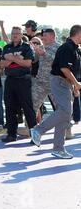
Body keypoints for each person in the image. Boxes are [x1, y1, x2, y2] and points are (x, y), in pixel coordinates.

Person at [29, 25, 81, 159]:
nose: (43, 37)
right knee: (64, 111)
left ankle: (58, 148)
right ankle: (38, 130)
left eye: (46, 35)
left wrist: (74, 86)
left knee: (65, 114)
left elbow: (72, 69)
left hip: (64, 83)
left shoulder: (73, 48)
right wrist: (76, 83)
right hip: (58, 81)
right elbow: (64, 68)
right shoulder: (67, 47)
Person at [0, 26, 37, 143]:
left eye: (17, 33)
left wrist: (10, 58)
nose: (15, 35)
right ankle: (11, 134)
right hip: (10, 80)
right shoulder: (7, 47)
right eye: (13, 33)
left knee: (28, 108)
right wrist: (16, 58)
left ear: (21, 35)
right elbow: (2, 64)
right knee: (10, 108)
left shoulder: (26, 47)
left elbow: (28, 63)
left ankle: (34, 135)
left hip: (23, 80)